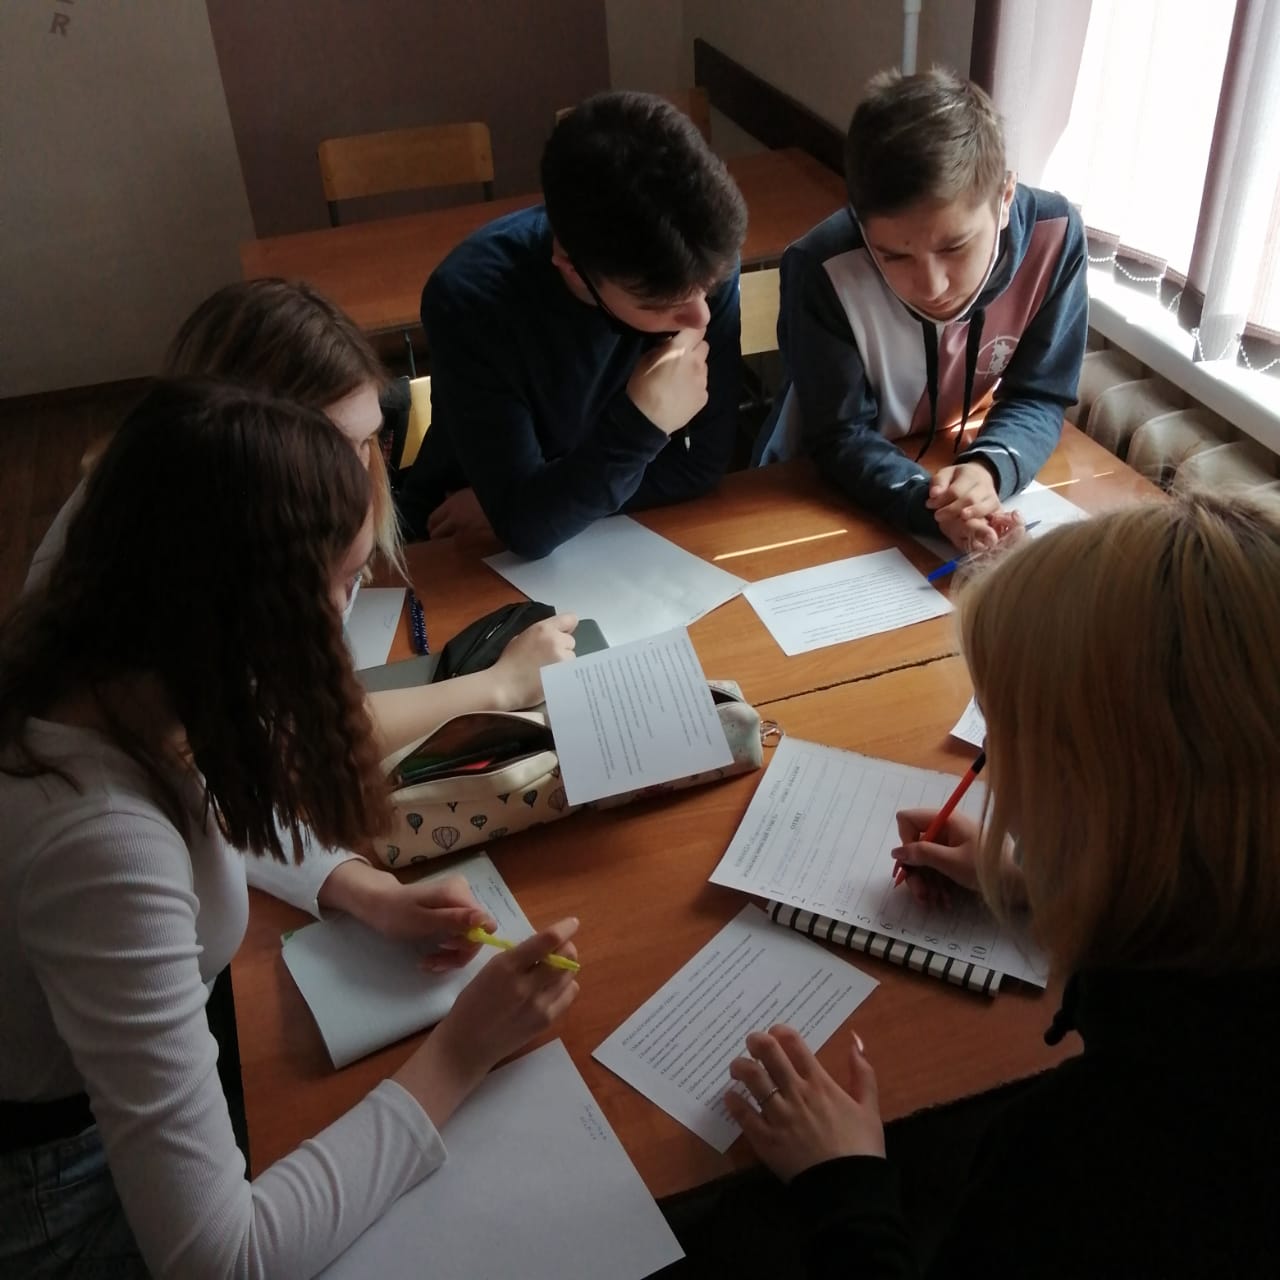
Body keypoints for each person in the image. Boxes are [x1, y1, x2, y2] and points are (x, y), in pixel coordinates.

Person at [0, 380, 581, 1278]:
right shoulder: (102, 843)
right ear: (251, 613)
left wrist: (358, 888)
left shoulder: (114, 673)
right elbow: (222, 1257)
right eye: (345, 582)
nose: (352, 607)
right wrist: (461, 1054)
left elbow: (208, 802)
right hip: (58, 1190)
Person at [720, 493, 1280, 1277]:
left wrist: (842, 1183)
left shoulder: (1091, 1158)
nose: (992, 775)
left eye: (1002, 739)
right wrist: (1042, 883)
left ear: (1096, 799)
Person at [23, 279, 577, 939]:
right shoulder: (113, 813)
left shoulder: (231, 556)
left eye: (368, 441)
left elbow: (233, 757)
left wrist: (350, 882)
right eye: (331, 448)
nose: (354, 477)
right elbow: (267, 747)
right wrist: (495, 687)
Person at [395, 91, 748, 558]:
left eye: (708, 289)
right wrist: (642, 425)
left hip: (608, 538)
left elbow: (701, 466)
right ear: (571, 266)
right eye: (664, 303)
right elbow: (527, 531)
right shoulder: (472, 299)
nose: (700, 316)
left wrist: (553, 505)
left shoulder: (699, 259)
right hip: (456, 531)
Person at [754, 69, 1088, 551]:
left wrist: (987, 468)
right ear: (860, 224)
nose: (932, 286)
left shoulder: (1055, 238)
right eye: (893, 256)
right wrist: (929, 504)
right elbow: (839, 434)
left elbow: (1039, 394)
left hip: (940, 464)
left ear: (1004, 196)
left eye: (954, 247)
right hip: (819, 491)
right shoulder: (821, 269)